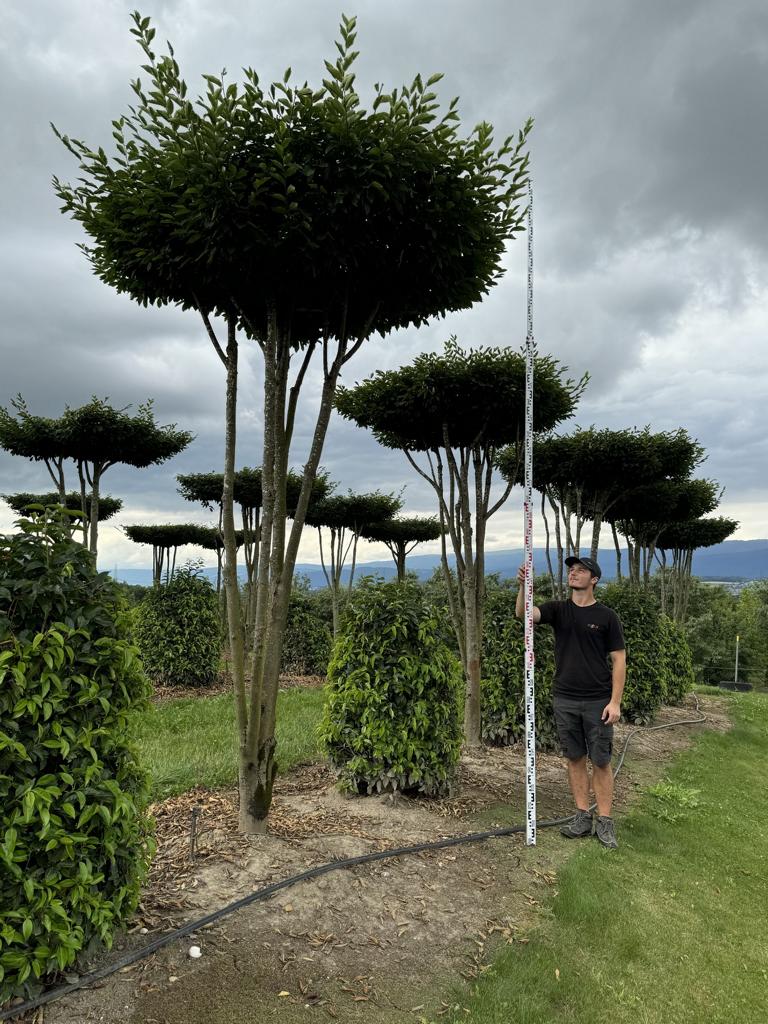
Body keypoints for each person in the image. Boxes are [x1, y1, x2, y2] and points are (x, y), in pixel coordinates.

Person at [516, 555, 626, 849]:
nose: (573, 573)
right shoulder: (558, 610)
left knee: (601, 761)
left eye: (581, 571)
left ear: (594, 580)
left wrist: (614, 702)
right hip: (564, 697)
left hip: (597, 701)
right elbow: (525, 615)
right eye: (571, 570)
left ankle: (604, 820)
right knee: (575, 758)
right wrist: (524, 587)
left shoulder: (606, 617)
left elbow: (619, 660)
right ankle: (581, 816)